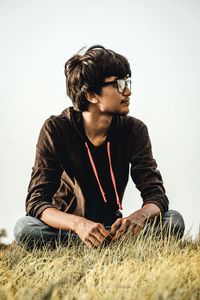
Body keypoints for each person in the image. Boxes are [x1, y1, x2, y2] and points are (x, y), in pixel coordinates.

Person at [14, 45, 185, 249]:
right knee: (25, 229)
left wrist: (139, 217)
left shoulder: (134, 129)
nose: (128, 91)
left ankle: (106, 244)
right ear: (91, 95)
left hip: (111, 228)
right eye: (119, 84)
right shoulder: (56, 129)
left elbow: (156, 195)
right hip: (68, 229)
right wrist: (78, 225)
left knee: (173, 221)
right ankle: (106, 246)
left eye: (127, 82)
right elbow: (36, 202)